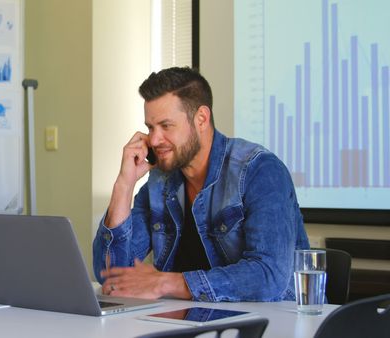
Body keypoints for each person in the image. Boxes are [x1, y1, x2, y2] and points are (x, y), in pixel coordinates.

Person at [93, 67, 309, 302]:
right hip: (192, 319)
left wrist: (166, 282)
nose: (154, 140)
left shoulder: (260, 170)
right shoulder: (160, 181)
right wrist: (124, 185)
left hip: (275, 322)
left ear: (201, 119)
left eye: (166, 126)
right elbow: (111, 275)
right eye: (150, 128)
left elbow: (269, 276)